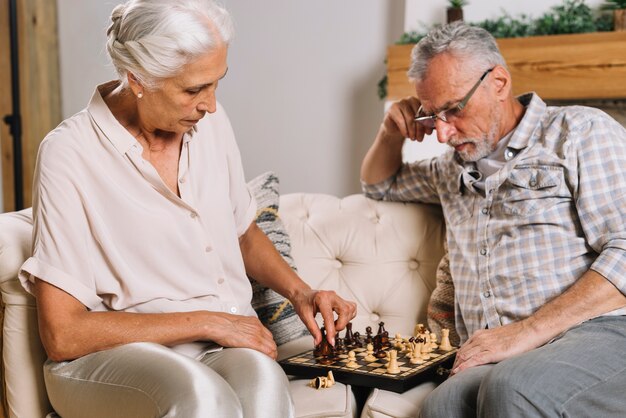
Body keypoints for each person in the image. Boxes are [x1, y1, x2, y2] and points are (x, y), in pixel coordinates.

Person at [18, 1, 356, 417]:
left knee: (263, 382)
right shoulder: (68, 153)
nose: (211, 105)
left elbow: (240, 231)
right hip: (114, 358)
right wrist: (208, 320)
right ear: (136, 79)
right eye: (194, 90)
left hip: (215, 347)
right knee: (200, 397)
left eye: (217, 84)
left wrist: (301, 291)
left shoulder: (209, 123)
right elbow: (62, 334)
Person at [361, 22, 626, 417]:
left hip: (597, 331)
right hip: (502, 351)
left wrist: (523, 333)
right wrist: (389, 131)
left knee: (514, 388)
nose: (443, 133)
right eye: (432, 116)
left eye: (453, 108)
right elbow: (378, 185)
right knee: (442, 405)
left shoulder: (579, 132)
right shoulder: (449, 170)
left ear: (498, 82)